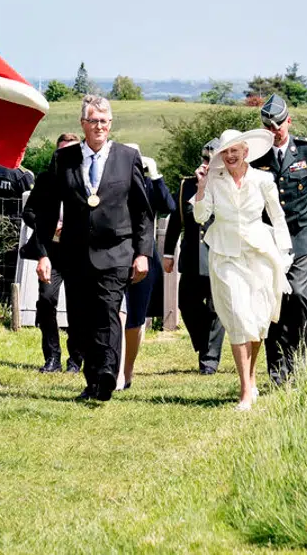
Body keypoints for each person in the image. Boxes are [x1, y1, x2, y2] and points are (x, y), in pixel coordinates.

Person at [31, 96, 153, 402]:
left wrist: (142, 253)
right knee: (81, 319)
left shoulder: (127, 157)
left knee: (109, 311)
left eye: (103, 121)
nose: (98, 126)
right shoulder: (64, 160)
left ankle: (108, 373)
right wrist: (44, 254)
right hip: (75, 253)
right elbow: (46, 211)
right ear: (82, 124)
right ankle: (92, 380)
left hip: (116, 251)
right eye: (92, 121)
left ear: (110, 124)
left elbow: (142, 210)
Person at [193, 128, 292, 410]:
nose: (230, 155)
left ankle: (251, 377)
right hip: (225, 255)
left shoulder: (263, 179)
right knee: (238, 316)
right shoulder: (214, 179)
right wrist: (201, 187)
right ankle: (245, 390)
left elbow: (277, 216)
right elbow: (201, 216)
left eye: (235, 150)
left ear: (246, 151)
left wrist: (284, 253)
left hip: (260, 254)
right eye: (225, 152)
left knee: (258, 320)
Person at [250, 95, 307, 387]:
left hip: (302, 236)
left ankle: (301, 357)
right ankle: (278, 370)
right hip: (270, 237)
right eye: (269, 127)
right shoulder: (256, 157)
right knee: (275, 300)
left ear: (289, 121)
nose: (275, 131)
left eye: (279, 125)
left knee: (299, 296)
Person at [22, 133, 84, 374]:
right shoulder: (47, 179)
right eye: (61, 152)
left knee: (78, 307)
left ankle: (76, 359)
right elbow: (29, 212)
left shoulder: (84, 178)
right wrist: (46, 228)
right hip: (50, 252)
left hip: (78, 252)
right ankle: (52, 358)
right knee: (46, 301)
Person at [118, 142, 176, 390]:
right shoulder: (113, 184)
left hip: (143, 255)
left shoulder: (148, 185)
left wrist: (156, 175)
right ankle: (115, 370)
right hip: (115, 254)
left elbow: (169, 207)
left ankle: (127, 370)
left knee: (135, 319)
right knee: (117, 315)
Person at [164, 137, 224, 374]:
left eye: (213, 160)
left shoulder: (227, 184)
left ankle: (209, 360)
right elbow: (176, 219)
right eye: (205, 159)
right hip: (191, 255)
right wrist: (168, 252)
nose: (207, 164)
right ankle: (203, 344)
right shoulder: (187, 185)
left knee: (215, 308)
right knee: (186, 303)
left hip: (217, 254)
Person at [0, 157, 36, 304]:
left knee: (0, 261)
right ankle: (13, 300)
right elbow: (32, 200)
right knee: (15, 264)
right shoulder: (23, 175)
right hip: (16, 225)